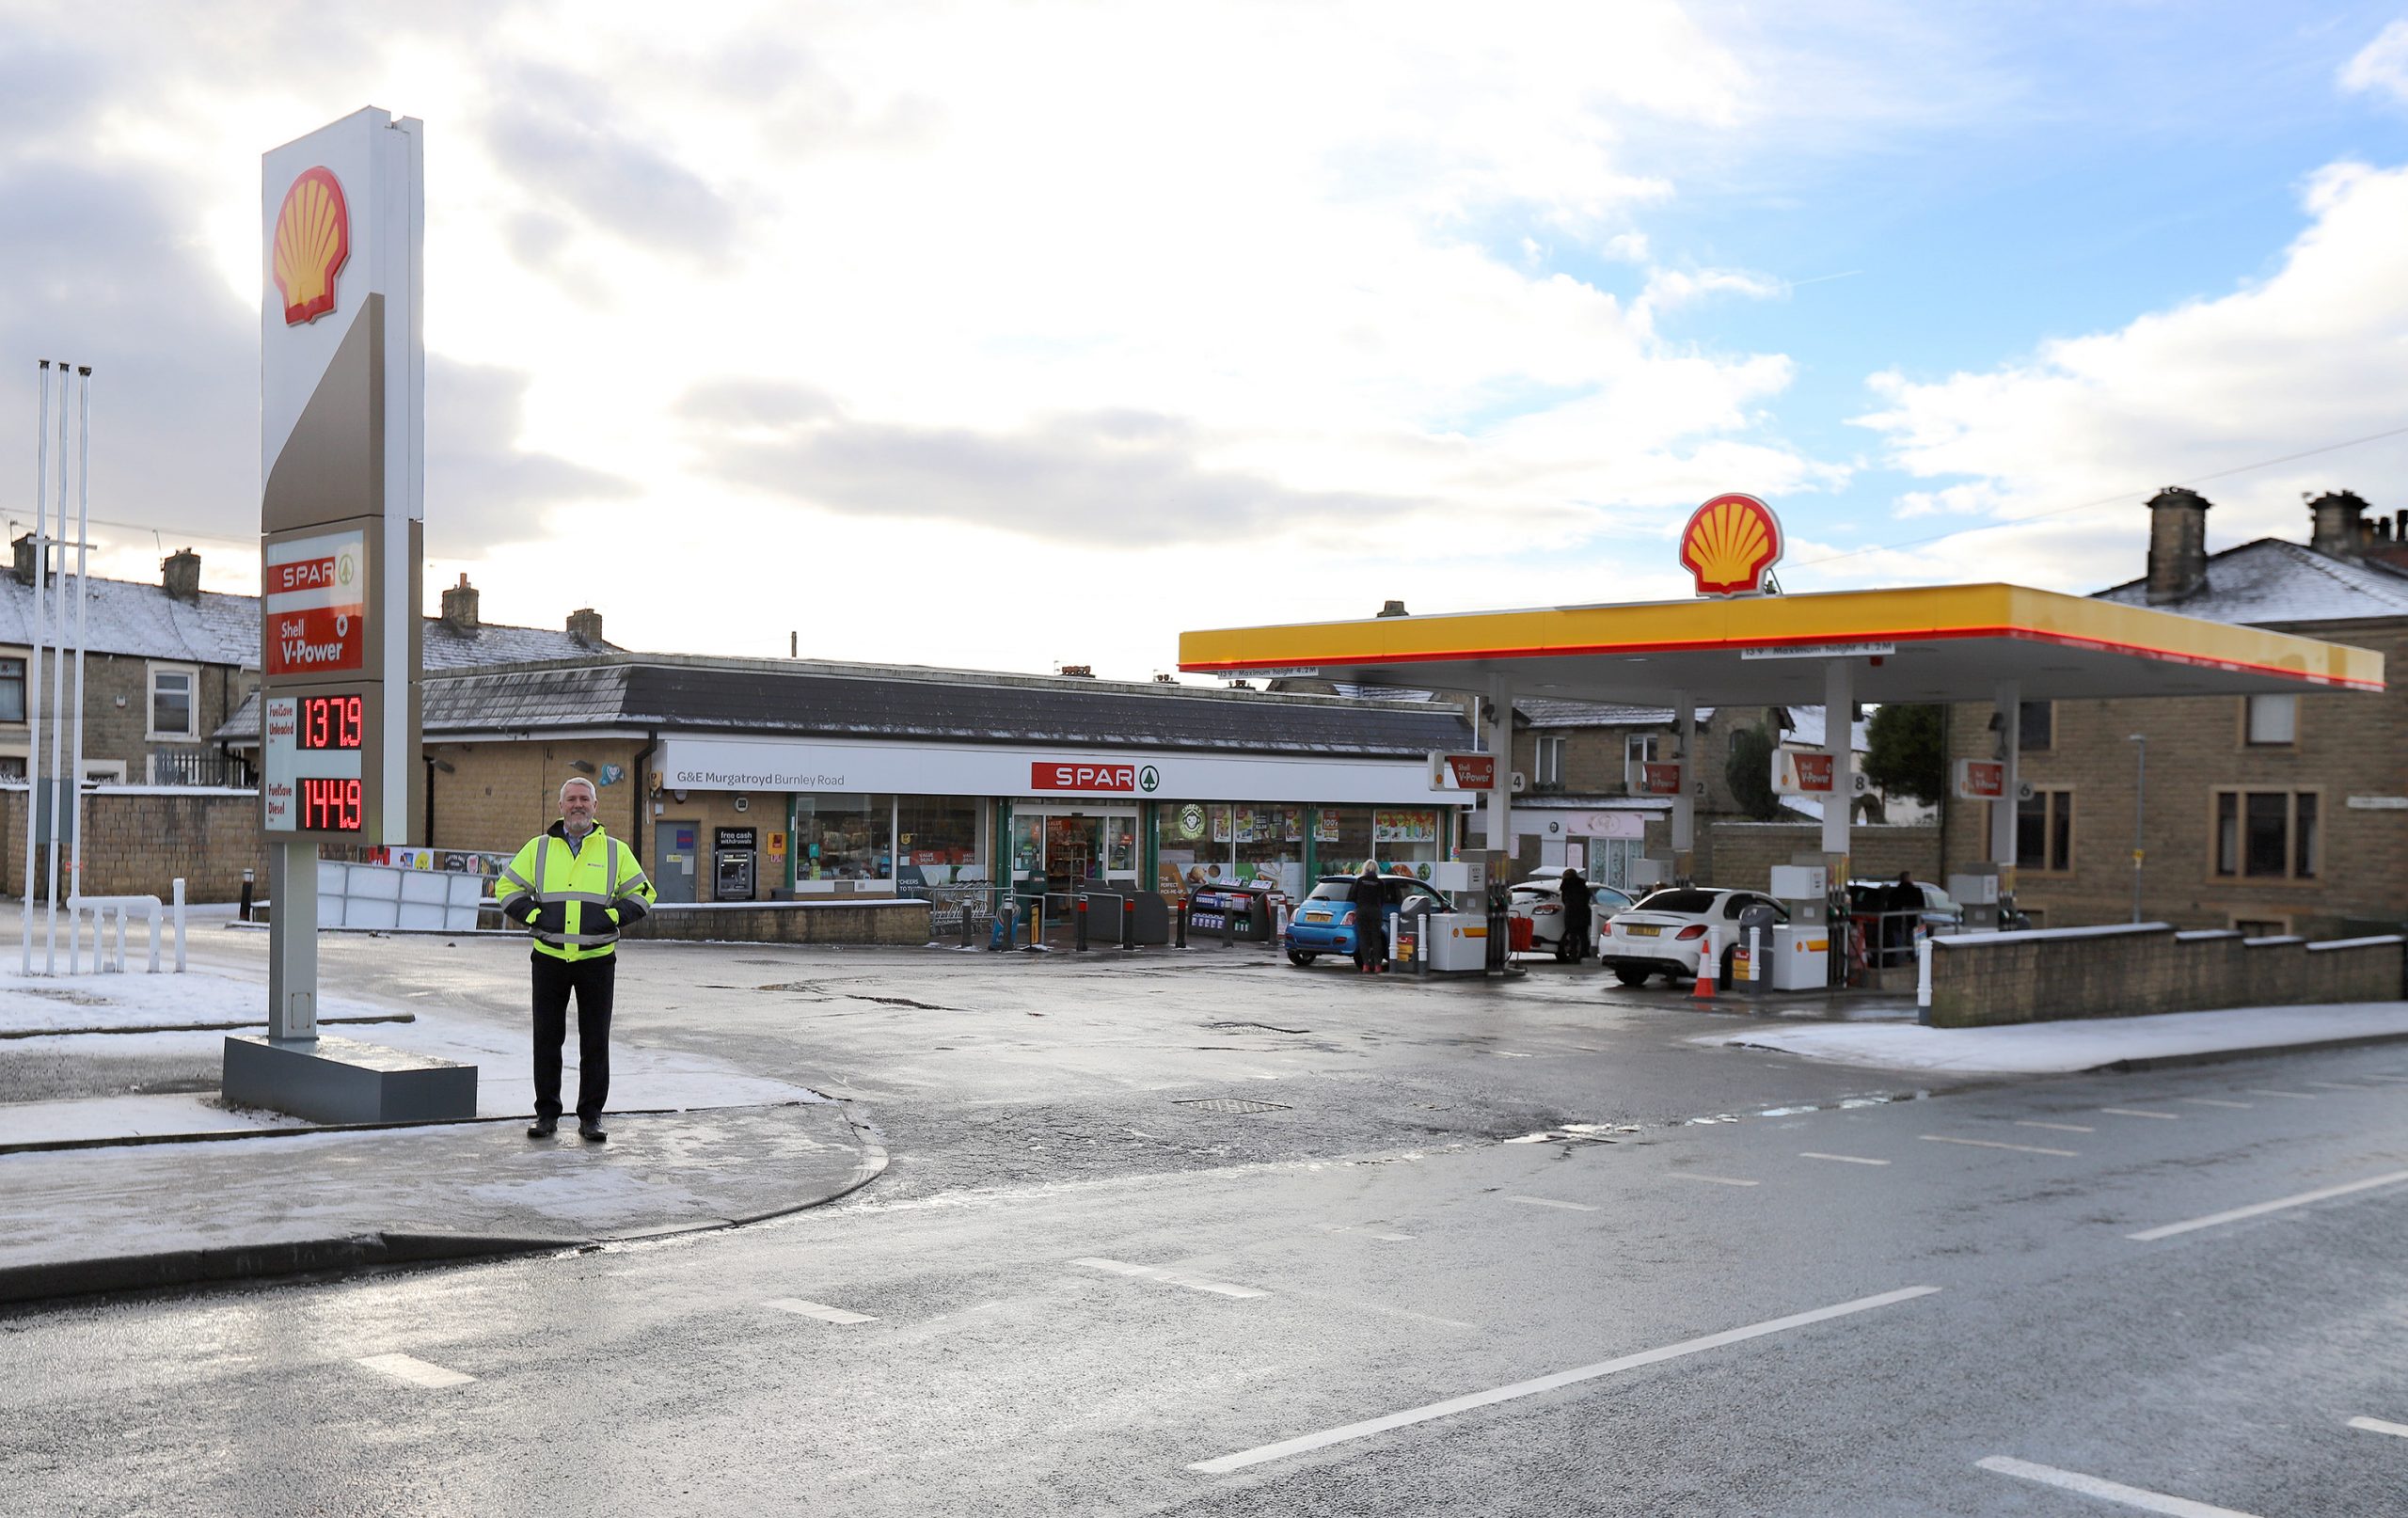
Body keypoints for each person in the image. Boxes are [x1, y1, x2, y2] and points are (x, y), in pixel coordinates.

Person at [496, 777, 657, 1142]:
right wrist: (535, 916)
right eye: (572, 799)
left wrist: (612, 917)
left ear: (595, 807)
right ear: (561, 806)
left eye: (585, 799)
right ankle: (547, 1114)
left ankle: (591, 1116)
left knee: (595, 1041)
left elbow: (644, 894)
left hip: (597, 961)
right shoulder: (538, 849)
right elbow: (505, 887)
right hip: (549, 959)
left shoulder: (615, 851)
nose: (578, 805)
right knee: (547, 1039)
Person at [1352, 859, 1388, 974]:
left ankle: (1366, 966)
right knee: (1376, 938)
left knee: (1364, 938)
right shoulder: (1380, 883)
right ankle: (1378, 966)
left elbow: (1353, 896)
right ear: (1376, 869)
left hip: (1362, 911)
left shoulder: (1360, 881)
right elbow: (1383, 899)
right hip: (1375, 911)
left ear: (1365, 868)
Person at [1560, 867, 1592, 963]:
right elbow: (1587, 897)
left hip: (1571, 913)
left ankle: (1574, 956)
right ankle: (1584, 953)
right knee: (1583, 935)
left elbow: (1564, 900)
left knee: (1572, 936)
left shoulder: (1565, 886)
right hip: (1583, 912)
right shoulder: (1582, 885)